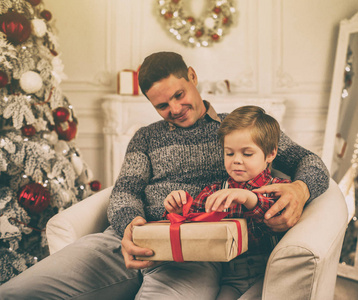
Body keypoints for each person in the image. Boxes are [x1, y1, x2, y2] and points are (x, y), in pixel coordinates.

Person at [0, 52, 329, 299]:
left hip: (196, 255)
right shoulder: (145, 137)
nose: (174, 109)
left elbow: (309, 161)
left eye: (179, 95)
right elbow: (126, 191)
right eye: (161, 105)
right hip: (130, 242)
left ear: (192, 76)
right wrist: (129, 226)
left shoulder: (240, 129)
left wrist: (300, 190)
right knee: (18, 291)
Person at [164, 105, 291, 299]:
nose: (236, 160)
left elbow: (278, 215)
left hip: (268, 275)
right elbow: (194, 219)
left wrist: (249, 198)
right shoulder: (215, 190)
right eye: (229, 153)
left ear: (270, 154)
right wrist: (180, 208)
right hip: (230, 277)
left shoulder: (279, 186)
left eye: (247, 154)